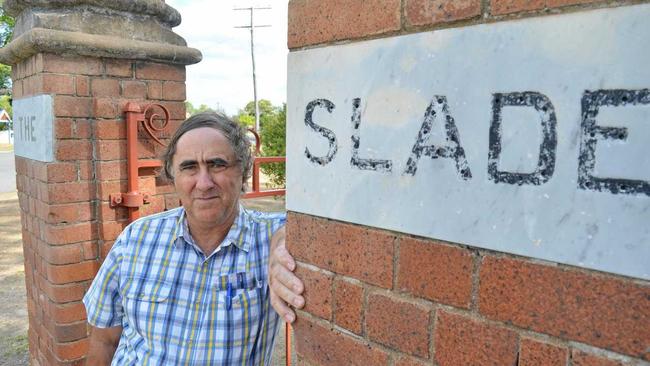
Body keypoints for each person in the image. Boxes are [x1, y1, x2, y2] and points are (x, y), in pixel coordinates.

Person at [83, 112, 286, 365]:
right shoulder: (136, 239)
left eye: (217, 164)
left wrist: (285, 240)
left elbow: (307, 230)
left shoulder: (268, 239)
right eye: (189, 167)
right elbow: (104, 340)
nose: (203, 183)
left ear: (243, 171)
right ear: (172, 176)